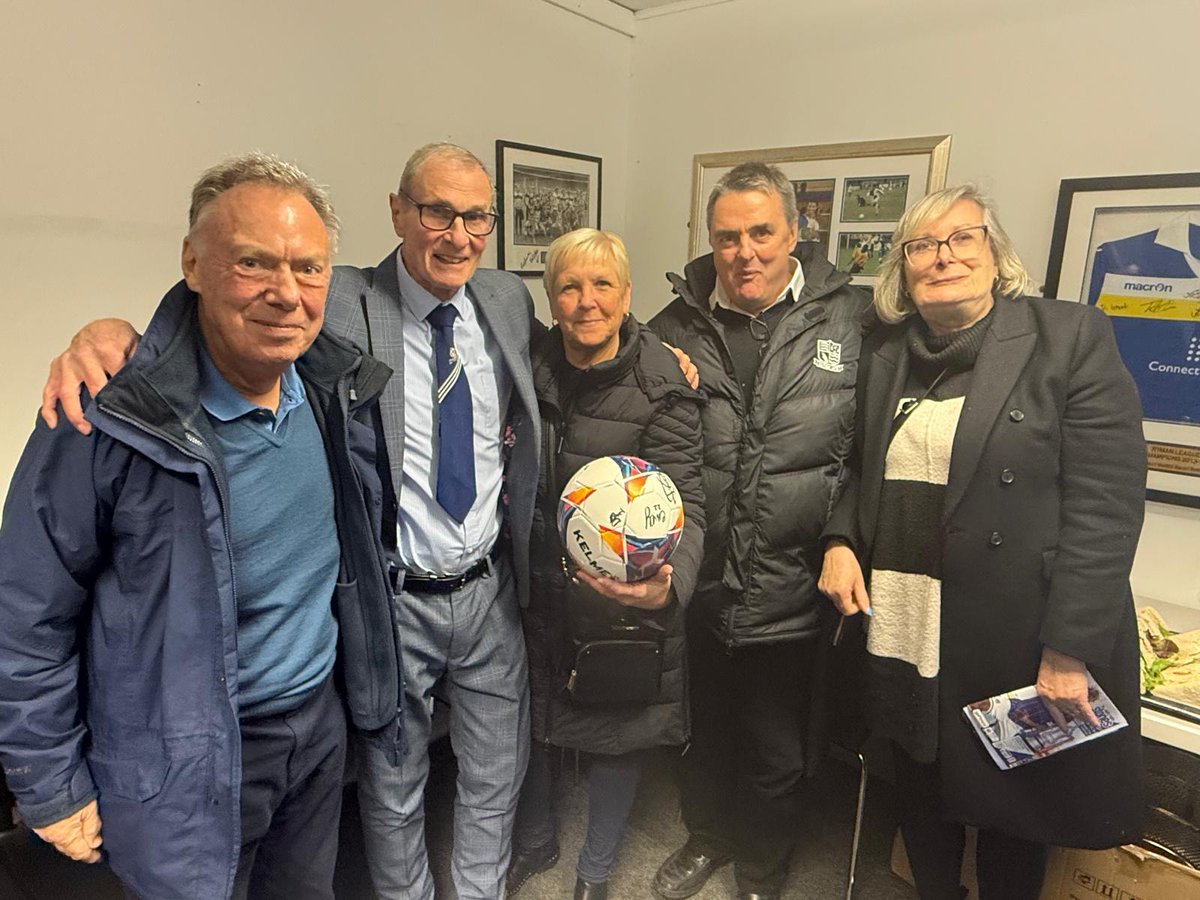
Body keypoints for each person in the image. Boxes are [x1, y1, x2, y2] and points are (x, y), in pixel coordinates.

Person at [37, 143, 696, 900]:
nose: (457, 234)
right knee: (393, 785)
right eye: (436, 212)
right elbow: (235, 290)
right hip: (393, 598)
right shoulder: (341, 298)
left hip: (489, 589)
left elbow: (587, 339)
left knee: (494, 773)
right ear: (398, 213)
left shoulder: (507, 302)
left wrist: (657, 351)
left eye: (475, 216)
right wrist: (110, 333)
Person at [0, 153, 399, 899]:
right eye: (254, 262)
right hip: (187, 760)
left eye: (309, 269)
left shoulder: (331, 390)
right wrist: (48, 781)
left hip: (315, 729)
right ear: (194, 263)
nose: (287, 292)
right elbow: (26, 611)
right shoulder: (105, 414)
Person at [818, 184, 1146, 899]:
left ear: (996, 255)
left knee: (1010, 814)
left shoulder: (1067, 337)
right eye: (922, 246)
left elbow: (1106, 505)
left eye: (962, 238)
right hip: (903, 618)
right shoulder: (886, 356)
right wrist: (841, 538)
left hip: (1011, 631)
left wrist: (1069, 649)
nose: (943, 257)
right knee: (917, 791)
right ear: (903, 271)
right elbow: (860, 467)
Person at [648, 162, 870, 900]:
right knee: (701, 730)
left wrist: (841, 537)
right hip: (700, 576)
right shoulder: (671, 326)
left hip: (790, 580)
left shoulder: (853, 321)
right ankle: (707, 837)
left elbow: (868, 453)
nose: (744, 252)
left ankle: (762, 874)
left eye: (761, 233)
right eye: (727, 237)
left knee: (778, 746)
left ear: (795, 232)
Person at [505, 229, 704, 900]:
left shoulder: (663, 382)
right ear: (549, 296)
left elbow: (690, 502)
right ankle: (533, 844)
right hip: (536, 589)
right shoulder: (524, 361)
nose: (586, 301)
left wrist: (668, 585)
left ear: (626, 293)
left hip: (627, 599)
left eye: (603, 285)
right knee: (529, 725)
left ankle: (593, 874)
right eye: (569, 286)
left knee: (620, 737)